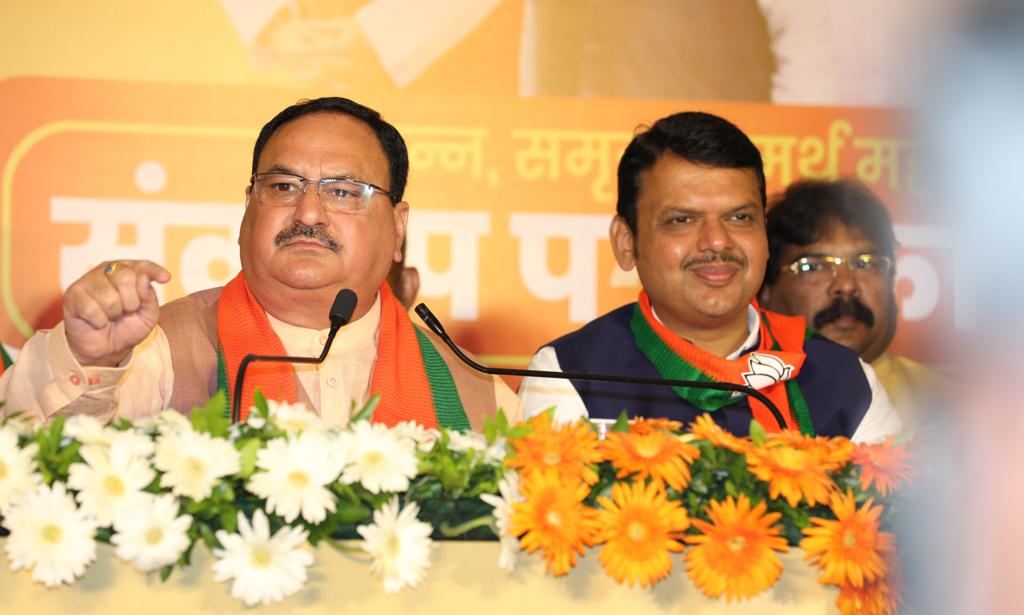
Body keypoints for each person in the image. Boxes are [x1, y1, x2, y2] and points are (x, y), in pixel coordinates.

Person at [0, 97, 518, 430]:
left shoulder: (479, 395)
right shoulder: (158, 351)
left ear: (398, 227)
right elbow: (29, 455)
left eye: (342, 191)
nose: (308, 212)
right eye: (283, 186)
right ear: (249, 207)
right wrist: (90, 360)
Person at [518, 112, 899, 441]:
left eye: (739, 218)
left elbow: (889, 520)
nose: (717, 241)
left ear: (764, 237)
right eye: (682, 220)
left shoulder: (845, 381)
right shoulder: (570, 374)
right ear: (626, 242)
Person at [759, 178, 948, 427]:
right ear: (765, 291)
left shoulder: (952, 407)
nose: (846, 284)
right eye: (814, 266)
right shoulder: (740, 402)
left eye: (866, 263)